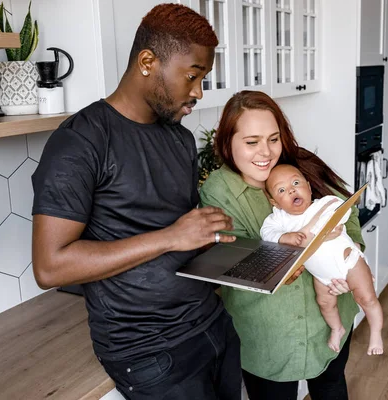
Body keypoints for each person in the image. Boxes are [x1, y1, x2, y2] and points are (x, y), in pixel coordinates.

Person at [31, 4, 241, 399]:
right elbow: (50, 266)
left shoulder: (177, 136)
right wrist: (171, 237)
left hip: (211, 323)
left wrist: (216, 241)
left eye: (204, 78)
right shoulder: (80, 142)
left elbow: (177, 231)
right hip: (150, 352)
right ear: (148, 61)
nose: (198, 91)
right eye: (193, 76)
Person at [200, 90, 365, 400]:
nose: (266, 153)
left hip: (330, 320)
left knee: (331, 387)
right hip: (269, 336)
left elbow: (348, 211)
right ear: (227, 143)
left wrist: (349, 251)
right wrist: (280, 261)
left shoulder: (299, 166)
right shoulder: (218, 191)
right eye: (251, 142)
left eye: (273, 139)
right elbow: (232, 256)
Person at [261, 164, 384, 355]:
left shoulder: (324, 204)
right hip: (321, 275)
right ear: (275, 202)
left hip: (348, 262)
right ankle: (337, 328)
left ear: (309, 188)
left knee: (366, 298)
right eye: (282, 190)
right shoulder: (280, 219)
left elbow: (341, 209)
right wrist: (284, 237)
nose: (292, 189)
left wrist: (316, 230)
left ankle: (375, 333)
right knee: (325, 303)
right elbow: (266, 233)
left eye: (296, 183)